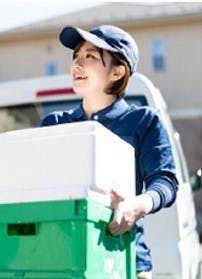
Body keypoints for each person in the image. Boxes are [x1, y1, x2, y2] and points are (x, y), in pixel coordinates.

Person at [41, 25, 178, 279]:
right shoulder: (55, 124)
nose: (76, 65)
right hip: (60, 260)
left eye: (90, 57)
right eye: (75, 57)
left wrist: (138, 204)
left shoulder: (143, 121)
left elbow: (166, 182)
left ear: (117, 72)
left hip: (125, 261)